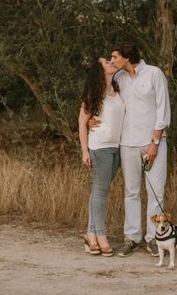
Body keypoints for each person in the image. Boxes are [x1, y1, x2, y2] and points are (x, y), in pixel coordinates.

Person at [109, 42, 171, 258]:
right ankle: (132, 237)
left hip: (152, 143)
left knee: (155, 192)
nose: (112, 61)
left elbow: (163, 109)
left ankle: (154, 239)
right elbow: (109, 104)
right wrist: (91, 120)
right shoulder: (118, 79)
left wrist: (154, 142)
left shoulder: (154, 74)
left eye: (115, 57)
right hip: (127, 143)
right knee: (131, 191)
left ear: (126, 57)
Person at [78, 57, 125, 257]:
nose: (111, 62)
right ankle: (101, 236)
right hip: (100, 148)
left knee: (99, 190)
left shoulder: (117, 89)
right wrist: (84, 151)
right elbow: (81, 122)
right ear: (100, 70)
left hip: (117, 148)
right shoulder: (93, 93)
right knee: (101, 191)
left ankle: (90, 234)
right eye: (106, 62)